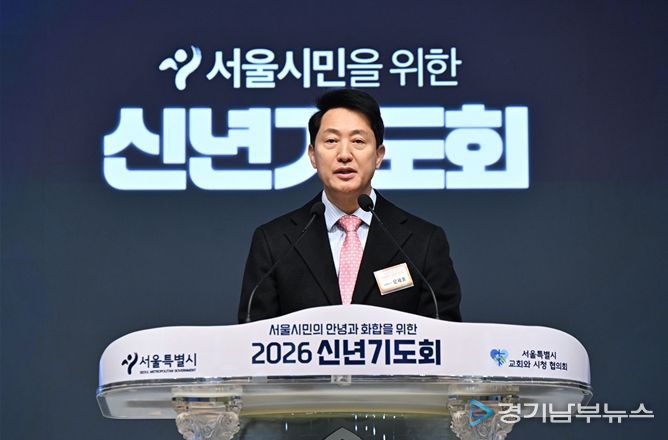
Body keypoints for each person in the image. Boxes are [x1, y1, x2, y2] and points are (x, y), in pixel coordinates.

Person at [238, 89, 462, 323]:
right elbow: (252, 336)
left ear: (378, 155)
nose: (344, 155)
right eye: (331, 141)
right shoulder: (274, 242)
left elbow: (445, 335)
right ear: (313, 155)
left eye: (358, 141)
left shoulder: (423, 242)